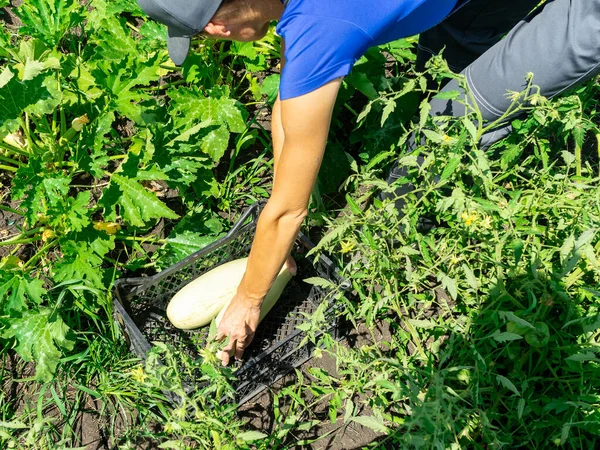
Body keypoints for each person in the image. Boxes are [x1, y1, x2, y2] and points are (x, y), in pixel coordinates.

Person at [137, 0, 600, 366]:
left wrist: (249, 298)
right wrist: (288, 191)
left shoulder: (319, 28)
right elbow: (289, 101)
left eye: (204, 30)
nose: (213, 39)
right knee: (458, 39)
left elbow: (286, 211)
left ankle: (400, 217)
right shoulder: (299, 18)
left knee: (458, 115)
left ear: (218, 20)